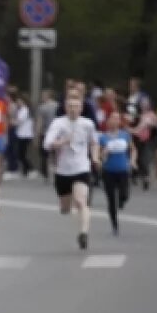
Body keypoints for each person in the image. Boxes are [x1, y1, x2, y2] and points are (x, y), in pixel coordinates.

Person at [43, 93, 100, 250]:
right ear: (65, 108)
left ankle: (83, 233)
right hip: (62, 171)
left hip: (81, 168)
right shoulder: (58, 123)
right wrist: (62, 142)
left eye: (76, 106)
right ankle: (68, 206)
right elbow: (46, 144)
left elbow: (94, 143)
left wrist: (95, 158)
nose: (73, 109)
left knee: (81, 201)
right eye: (70, 106)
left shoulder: (88, 124)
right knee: (65, 208)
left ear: (81, 108)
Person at [98, 111, 137, 236]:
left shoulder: (125, 135)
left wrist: (132, 161)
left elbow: (133, 149)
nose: (115, 121)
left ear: (120, 122)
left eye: (117, 119)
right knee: (111, 200)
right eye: (112, 119)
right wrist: (104, 153)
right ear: (108, 121)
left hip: (123, 169)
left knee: (124, 194)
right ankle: (114, 225)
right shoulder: (103, 137)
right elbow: (99, 155)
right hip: (108, 171)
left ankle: (122, 200)